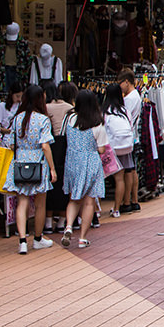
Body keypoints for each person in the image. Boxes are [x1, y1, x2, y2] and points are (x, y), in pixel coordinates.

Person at [2, 84, 57, 254]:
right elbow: (45, 146)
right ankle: (38, 239)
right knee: (40, 204)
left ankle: (22, 241)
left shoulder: (17, 119)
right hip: (38, 163)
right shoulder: (43, 120)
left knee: (22, 202)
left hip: (19, 163)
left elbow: (10, 143)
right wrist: (53, 169)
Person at [61, 90, 107, 249]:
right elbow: (101, 149)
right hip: (90, 161)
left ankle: (68, 227)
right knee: (89, 202)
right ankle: (82, 238)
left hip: (72, 161)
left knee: (74, 198)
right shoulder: (97, 122)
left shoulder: (70, 119)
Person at [44, 80, 77, 233]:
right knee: (64, 184)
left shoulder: (46, 107)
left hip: (50, 147)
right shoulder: (70, 108)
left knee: (50, 184)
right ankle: (62, 221)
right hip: (65, 147)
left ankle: (48, 222)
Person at [102, 84, 134, 218]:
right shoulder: (124, 110)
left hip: (109, 148)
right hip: (125, 146)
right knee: (120, 178)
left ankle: (96, 210)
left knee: (101, 178)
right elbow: (131, 126)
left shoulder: (105, 111)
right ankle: (117, 208)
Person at [117, 68, 141, 214]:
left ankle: (127, 201)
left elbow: (124, 118)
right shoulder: (136, 96)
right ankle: (134, 200)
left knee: (128, 170)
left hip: (127, 137)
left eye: (120, 83)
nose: (119, 86)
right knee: (132, 169)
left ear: (126, 81)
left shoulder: (129, 99)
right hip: (133, 136)